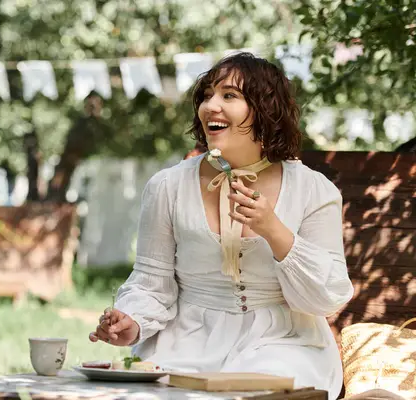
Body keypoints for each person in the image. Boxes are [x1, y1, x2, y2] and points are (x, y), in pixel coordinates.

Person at [88, 52, 354, 399]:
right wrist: (132, 322)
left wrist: (273, 229)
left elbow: (326, 298)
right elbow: (152, 284)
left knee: (263, 391)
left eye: (229, 95)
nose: (211, 105)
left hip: (284, 344)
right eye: (207, 95)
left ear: (265, 108)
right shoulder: (167, 186)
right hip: (187, 342)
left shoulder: (313, 189)